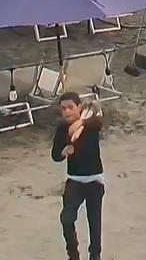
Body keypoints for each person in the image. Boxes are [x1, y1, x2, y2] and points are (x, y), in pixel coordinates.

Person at [52, 92, 105, 260]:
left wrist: (80, 123)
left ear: (79, 107)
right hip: (74, 181)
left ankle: (95, 256)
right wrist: (64, 151)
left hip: (95, 180)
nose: (67, 111)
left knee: (94, 222)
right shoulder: (62, 128)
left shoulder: (91, 123)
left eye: (70, 107)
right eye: (63, 108)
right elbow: (55, 155)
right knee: (66, 219)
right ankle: (73, 255)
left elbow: (99, 120)